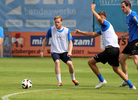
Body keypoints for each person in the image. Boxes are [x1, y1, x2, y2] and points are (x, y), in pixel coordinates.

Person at [75, 4, 136, 90]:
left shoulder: (105, 23)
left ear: (102, 18)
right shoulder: (105, 27)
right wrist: (81, 32)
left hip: (110, 50)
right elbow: (93, 34)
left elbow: (99, 19)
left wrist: (93, 10)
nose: (97, 21)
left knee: (90, 62)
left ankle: (101, 80)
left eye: (98, 19)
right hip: (116, 50)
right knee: (116, 69)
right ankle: (131, 86)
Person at [40, 15, 79, 86]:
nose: (56, 24)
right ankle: (59, 82)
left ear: (61, 22)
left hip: (64, 52)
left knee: (70, 64)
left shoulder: (67, 30)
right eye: (55, 22)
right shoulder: (51, 30)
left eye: (58, 22)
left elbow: (70, 42)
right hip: (55, 51)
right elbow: (45, 40)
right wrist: (42, 51)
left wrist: (70, 51)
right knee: (57, 62)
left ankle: (73, 79)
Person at [119, 0, 138, 87]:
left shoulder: (133, 15)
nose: (122, 9)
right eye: (121, 7)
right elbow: (133, 30)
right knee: (121, 60)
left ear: (128, 6)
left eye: (123, 7)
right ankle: (126, 79)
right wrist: (125, 35)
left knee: (136, 61)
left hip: (135, 41)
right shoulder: (127, 16)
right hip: (131, 41)